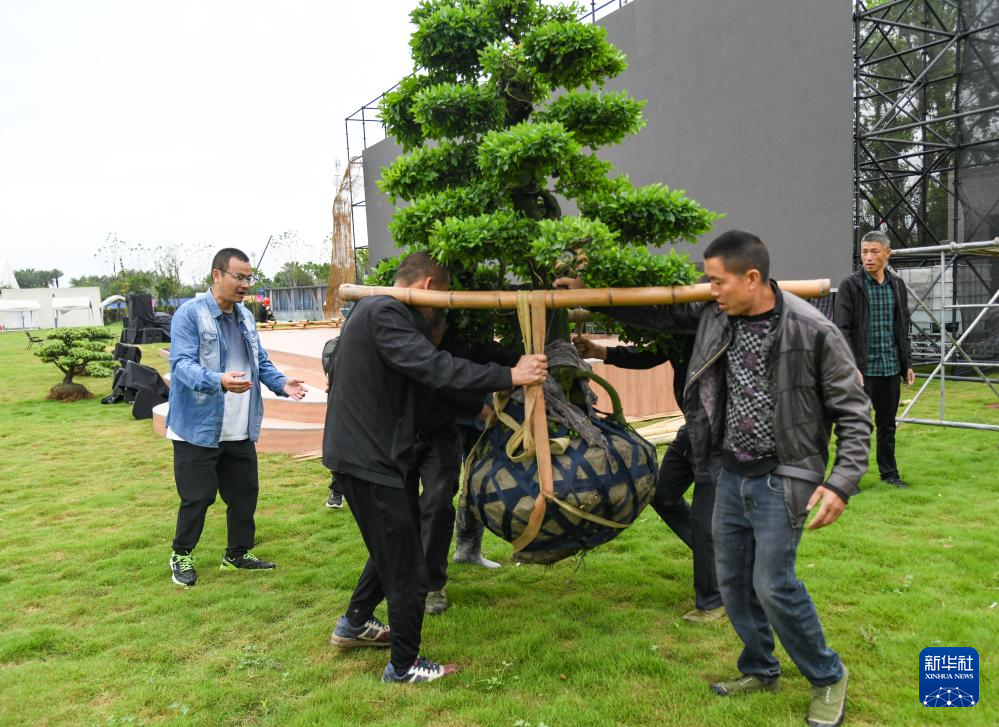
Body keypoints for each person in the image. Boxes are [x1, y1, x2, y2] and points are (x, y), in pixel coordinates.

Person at [556, 230, 871, 727]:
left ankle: (828, 676)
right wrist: (593, 292)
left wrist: (841, 482)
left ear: (751, 278)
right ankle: (760, 668)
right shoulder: (716, 314)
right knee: (733, 581)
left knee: (773, 585)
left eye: (717, 281)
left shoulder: (812, 330)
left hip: (783, 475)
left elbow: (854, 412)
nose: (710, 289)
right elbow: (656, 314)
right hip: (727, 469)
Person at [323, 251, 547, 684]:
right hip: (368, 459)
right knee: (408, 565)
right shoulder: (385, 311)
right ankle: (404, 666)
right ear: (428, 286)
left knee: (394, 546)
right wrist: (511, 376)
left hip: (368, 455)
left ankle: (355, 623)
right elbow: (433, 367)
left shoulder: (370, 311)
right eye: (445, 294)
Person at [166, 248, 308, 587]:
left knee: (244, 494)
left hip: (239, 426)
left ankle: (237, 554)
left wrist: (281, 383)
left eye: (249, 278)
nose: (245, 284)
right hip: (199, 427)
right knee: (198, 497)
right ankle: (181, 554)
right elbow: (181, 365)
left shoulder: (245, 316)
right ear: (217, 275)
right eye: (239, 277)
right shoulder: (190, 315)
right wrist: (218, 381)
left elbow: (260, 360)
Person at [571, 334, 724, 623]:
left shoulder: (723, 331)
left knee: (704, 521)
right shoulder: (681, 331)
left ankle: (713, 600)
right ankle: (720, 562)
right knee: (662, 495)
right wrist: (600, 351)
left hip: (720, 438)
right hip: (692, 429)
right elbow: (650, 354)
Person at [834, 230, 914, 488]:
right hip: (861, 370)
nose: (868, 257)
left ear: (887, 253)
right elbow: (842, 330)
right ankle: (849, 478)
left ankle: (889, 474)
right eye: (864, 252)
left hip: (890, 367)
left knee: (887, 425)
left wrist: (907, 364)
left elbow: (902, 326)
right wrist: (851, 366)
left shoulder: (897, 285)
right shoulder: (850, 285)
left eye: (874, 252)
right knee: (855, 425)